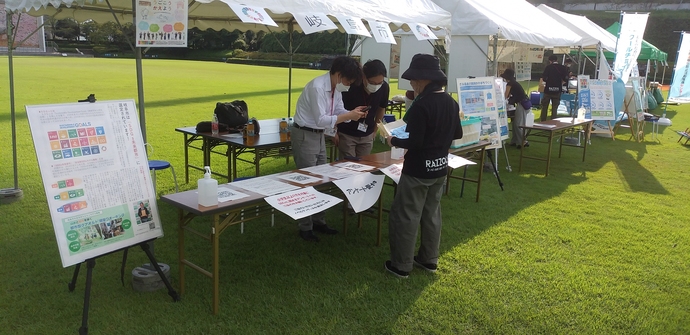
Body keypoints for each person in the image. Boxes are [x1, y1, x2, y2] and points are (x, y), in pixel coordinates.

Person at [383, 54, 463, 278]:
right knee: (431, 214)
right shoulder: (450, 102)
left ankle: (401, 264)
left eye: (413, 81)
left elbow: (415, 142)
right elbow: (458, 133)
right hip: (440, 168)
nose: (412, 85)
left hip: (418, 170)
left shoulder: (422, 105)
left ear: (422, 80)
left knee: (406, 215)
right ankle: (429, 259)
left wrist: (393, 141)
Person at [291, 56, 368, 242]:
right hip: (305, 134)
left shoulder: (335, 89)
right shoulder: (318, 87)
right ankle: (305, 226)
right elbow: (321, 119)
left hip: (318, 135)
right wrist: (348, 115)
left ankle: (319, 220)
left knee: (322, 180)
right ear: (339, 74)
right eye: (348, 81)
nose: (348, 85)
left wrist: (352, 114)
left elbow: (338, 111)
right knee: (307, 181)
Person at [336, 59, 390, 159]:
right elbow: (336, 108)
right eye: (372, 83)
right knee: (347, 166)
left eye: (380, 82)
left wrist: (375, 130)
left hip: (367, 134)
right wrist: (334, 131)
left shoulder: (384, 87)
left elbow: (381, 109)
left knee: (364, 165)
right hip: (347, 133)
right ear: (363, 76)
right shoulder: (351, 85)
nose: (376, 86)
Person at [501, 68, 530, 149]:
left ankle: (523, 141)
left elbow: (505, 96)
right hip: (523, 103)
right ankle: (514, 141)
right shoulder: (514, 83)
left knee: (518, 124)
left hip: (522, 104)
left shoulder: (510, 84)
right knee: (515, 124)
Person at [539, 55, 568, 121]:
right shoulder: (563, 68)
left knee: (544, 107)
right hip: (557, 90)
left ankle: (543, 121)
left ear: (550, 61)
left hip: (548, 90)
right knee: (555, 108)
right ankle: (553, 121)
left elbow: (544, 78)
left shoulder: (548, 67)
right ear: (557, 60)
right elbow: (566, 78)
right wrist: (559, 84)